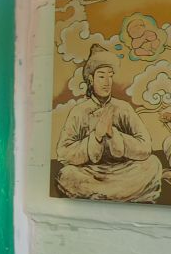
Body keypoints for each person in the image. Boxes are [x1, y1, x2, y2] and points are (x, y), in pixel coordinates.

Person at [55, 46, 162, 202]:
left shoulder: (123, 108)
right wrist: (96, 137)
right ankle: (123, 195)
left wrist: (114, 134)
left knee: (153, 163)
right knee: (66, 175)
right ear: (91, 79)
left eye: (110, 76)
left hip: (125, 172)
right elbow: (63, 152)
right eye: (101, 76)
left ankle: (106, 195)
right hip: (91, 174)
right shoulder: (79, 111)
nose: (107, 82)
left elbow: (145, 146)